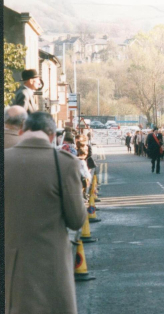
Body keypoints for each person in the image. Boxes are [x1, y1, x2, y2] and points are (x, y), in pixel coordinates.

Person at [5, 112, 87, 313]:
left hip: (11, 264)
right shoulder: (65, 163)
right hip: (51, 262)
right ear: (52, 135)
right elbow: (76, 220)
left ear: (23, 130)